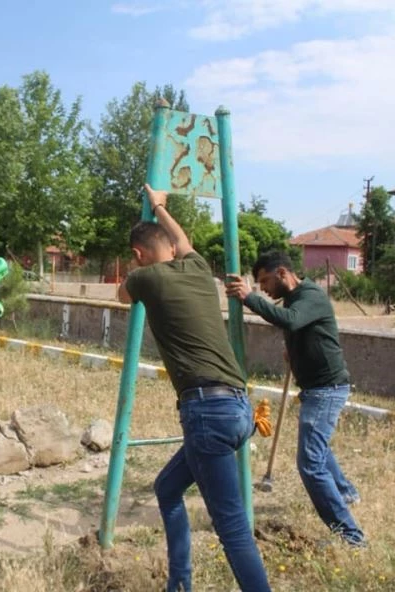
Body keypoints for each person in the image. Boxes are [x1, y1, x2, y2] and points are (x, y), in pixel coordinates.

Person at [119, 184, 270, 592]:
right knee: (167, 489)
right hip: (240, 411)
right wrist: (160, 206)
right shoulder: (200, 268)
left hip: (208, 414)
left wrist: (134, 268)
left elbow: (122, 295)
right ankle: (179, 584)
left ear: (138, 254)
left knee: (233, 529)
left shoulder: (145, 278)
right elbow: (183, 241)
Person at [225, 251, 366, 548]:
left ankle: (350, 536)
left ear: (282, 273)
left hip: (326, 389)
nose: (262, 287)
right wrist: (296, 351)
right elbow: (299, 327)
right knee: (319, 449)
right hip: (317, 387)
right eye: (258, 283)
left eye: (264, 281)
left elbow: (290, 321)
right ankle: (346, 493)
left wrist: (250, 297)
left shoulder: (310, 295)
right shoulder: (294, 298)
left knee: (310, 463)